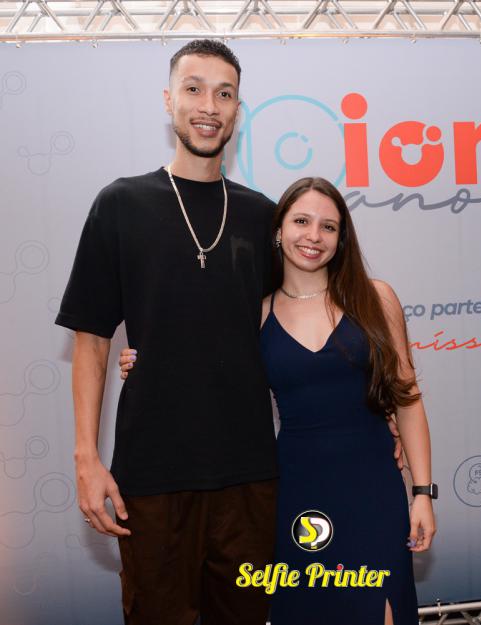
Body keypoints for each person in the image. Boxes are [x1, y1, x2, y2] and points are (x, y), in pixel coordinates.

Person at [120, 177, 437, 624]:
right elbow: (200, 366)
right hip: (295, 489)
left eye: (328, 226)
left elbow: (407, 399)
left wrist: (422, 493)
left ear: (341, 238)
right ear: (278, 230)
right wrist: (141, 362)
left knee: (380, 607)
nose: (314, 236)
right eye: (301, 221)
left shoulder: (376, 298)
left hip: (373, 488)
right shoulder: (255, 312)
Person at [55, 40, 281, 625]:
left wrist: (371, 408)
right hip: (152, 476)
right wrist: (86, 458)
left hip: (249, 476)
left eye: (224, 94)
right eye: (194, 88)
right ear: (168, 99)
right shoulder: (121, 204)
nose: (209, 106)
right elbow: (91, 340)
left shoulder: (263, 216)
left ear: (238, 110)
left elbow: (294, 325)